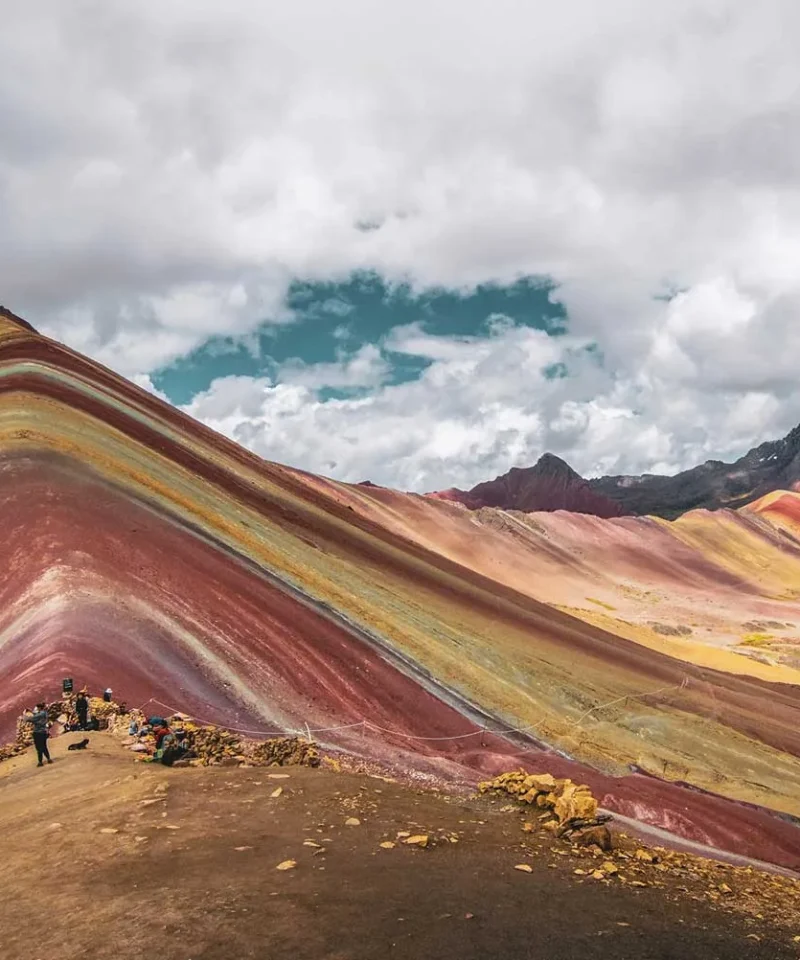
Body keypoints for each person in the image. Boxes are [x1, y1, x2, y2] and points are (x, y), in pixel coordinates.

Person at [25, 703, 53, 767]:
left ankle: (40, 762)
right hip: (43, 732)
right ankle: (48, 759)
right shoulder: (45, 713)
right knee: (44, 746)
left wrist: (26, 715)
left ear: (39, 707)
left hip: (37, 732)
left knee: (38, 747)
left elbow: (30, 719)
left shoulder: (40, 714)